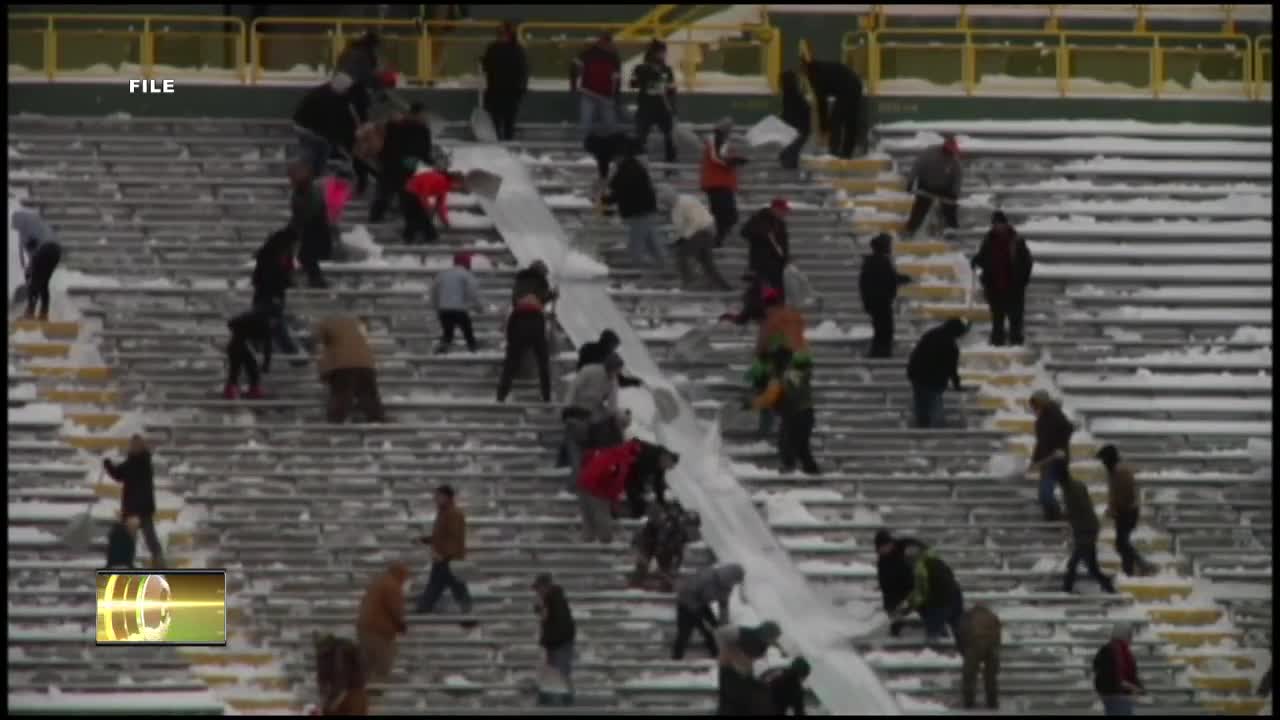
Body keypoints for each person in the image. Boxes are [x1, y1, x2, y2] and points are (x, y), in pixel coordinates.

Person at [563, 353, 628, 492]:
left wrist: (618, 418)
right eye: (615, 371)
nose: (616, 374)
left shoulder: (613, 380)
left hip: (593, 414)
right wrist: (567, 408)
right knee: (577, 458)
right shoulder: (590, 370)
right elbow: (573, 387)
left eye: (618, 371)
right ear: (608, 367)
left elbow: (612, 404)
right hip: (577, 409)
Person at [497, 260, 557, 403]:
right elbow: (540, 299)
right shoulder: (541, 282)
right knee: (543, 362)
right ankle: (546, 396)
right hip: (535, 322)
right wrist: (553, 295)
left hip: (517, 321)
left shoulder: (519, 282)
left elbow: (517, 301)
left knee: (510, 363)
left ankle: (501, 395)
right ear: (542, 273)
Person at [971, 211, 1034, 346]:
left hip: (1013, 286)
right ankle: (997, 342)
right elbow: (983, 256)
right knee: (997, 317)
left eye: (1000, 224)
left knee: (1015, 317)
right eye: (995, 224)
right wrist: (976, 260)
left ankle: (1016, 343)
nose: (998, 227)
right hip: (994, 285)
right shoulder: (989, 240)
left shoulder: (1016, 240)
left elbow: (1027, 261)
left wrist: (1022, 280)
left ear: (1005, 224)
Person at [753, 349, 819, 476]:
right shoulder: (789, 374)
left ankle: (793, 469)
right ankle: (808, 471)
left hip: (799, 413)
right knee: (799, 447)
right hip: (799, 413)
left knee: (791, 444)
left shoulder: (790, 375)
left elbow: (790, 393)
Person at [103, 435, 165, 568]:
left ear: (141, 447)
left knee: (150, 538)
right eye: (132, 445)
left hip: (142, 509)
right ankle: (128, 563)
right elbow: (119, 474)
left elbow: (124, 474)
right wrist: (108, 465)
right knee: (130, 540)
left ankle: (159, 563)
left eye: (136, 445)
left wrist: (110, 466)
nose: (133, 448)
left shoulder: (143, 462)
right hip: (131, 508)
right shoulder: (131, 462)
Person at [602, 138, 665, 269]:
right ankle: (663, 270)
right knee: (653, 245)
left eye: (614, 158)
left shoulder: (629, 169)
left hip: (640, 213)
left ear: (620, 156)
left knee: (635, 248)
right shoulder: (628, 167)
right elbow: (616, 187)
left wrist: (604, 200)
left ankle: (642, 273)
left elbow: (620, 191)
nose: (613, 161)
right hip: (645, 211)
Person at [413, 485, 474, 620]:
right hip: (442, 557)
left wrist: (445, 555)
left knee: (453, 585)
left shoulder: (454, 514)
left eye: (439, 496)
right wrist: (425, 540)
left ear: (447, 497)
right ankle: (424, 607)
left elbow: (454, 537)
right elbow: (440, 536)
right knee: (441, 584)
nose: (436, 499)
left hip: (450, 558)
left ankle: (424, 607)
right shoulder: (443, 513)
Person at [314, 314, 386, 423]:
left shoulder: (325, 324)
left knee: (341, 395)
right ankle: (377, 421)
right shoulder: (354, 325)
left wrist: (323, 374)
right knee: (369, 395)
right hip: (366, 363)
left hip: (343, 365)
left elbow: (320, 346)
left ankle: (334, 424)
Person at [1097, 445, 1155, 578]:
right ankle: (1129, 571)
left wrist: (1114, 507)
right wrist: (1112, 507)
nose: (1102, 463)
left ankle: (1143, 565)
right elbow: (1114, 493)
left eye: (1103, 460)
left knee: (1121, 543)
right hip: (1123, 511)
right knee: (1122, 543)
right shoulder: (1113, 471)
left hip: (1128, 511)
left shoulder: (1120, 472)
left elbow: (1126, 493)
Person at [371, 102, 433, 223]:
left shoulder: (423, 129)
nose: (426, 118)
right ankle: (376, 216)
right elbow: (389, 144)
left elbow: (425, 150)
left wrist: (427, 162)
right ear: (416, 114)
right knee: (385, 193)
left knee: (405, 194)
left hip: (408, 167)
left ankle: (405, 218)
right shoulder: (397, 125)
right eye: (424, 115)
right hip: (393, 165)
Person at [1061, 469, 1117, 594]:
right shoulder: (1074, 487)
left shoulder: (1073, 490)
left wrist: (1066, 515)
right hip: (1086, 530)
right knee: (1091, 567)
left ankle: (1066, 589)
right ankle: (1108, 586)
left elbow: (1078, 510)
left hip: (1086, 531)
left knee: (1073, 563)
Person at [673, 563, 745, 660]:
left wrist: (723, 624)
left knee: (714, 629)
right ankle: (676, 660)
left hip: (701, 604)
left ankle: (717, 656)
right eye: (735, 581)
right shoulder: (707, 578)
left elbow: (723, 605)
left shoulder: (727, 586)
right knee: (684, 633)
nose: (735, 584)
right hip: (685, 603)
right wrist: (697, 614)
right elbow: (687, 592)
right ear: (731, 576)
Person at [895, 544, 964, 647]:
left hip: (940, 601)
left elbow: (920, 594)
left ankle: (938, 653)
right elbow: (950, 576)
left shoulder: (920, 567)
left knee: (932, 637)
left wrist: (906, 609)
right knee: (959, 630)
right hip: (956, 596)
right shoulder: (936, 560)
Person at [905, 318, 968, 428]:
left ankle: (921, 428)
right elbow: (952, 368)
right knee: (934, 406)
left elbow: (916, 354)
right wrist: (957, 385)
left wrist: (910, 372)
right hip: (934, 380)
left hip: (918, 376)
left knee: (920, 404)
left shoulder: (930, 335)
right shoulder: (950, 346)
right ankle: (936, 432)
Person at [859, 233, 913, 358]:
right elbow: (890, 278)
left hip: (877, 301)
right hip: (880, 302)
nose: (891, 247)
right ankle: (880, 354)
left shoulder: (873, 261)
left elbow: (889, 278)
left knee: (882, 329)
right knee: (884, 330)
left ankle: (880, 353)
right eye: (889, 244)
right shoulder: (880, 261)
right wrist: (904, 279)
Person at [577, 439, 642, 543]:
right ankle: (605, 539)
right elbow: (614, 482)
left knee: (588, 514)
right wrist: (612, 499)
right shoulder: (621, 463)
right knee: (602, 514)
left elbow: (590, 457)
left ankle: (588, 537)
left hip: (584, 482)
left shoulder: (612, 452)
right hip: (597, 488)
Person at [356, 561, 409, 684]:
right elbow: (395, 609)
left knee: (367, 666)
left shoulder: (378, 583)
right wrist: (403, 626)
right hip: (379, 631)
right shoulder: (392, 586)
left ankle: (366, 693)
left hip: (365, 629)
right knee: (382, 666)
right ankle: (375, 696)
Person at [802, 55, 864, 159]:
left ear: (806, 68)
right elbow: (822, 101)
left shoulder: (815, 75)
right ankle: (846, 151)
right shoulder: (818, 68)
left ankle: (834, 151)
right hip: (854, 84)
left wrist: (824, 127)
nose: (802, 73)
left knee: (836, 120)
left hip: (847, 88)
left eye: (802, 70)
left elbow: (822, 102)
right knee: (849, 120)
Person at [630, 500, 700, 591]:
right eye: (692, 527)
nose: (693, 530)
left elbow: (678, 549)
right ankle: (635, 585)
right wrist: (655, 560)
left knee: (668, 567)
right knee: (644, 563)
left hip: (663, 547)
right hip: (647, 542)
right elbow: (660, 544)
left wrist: (676, 564)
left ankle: (665, 585)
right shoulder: (669, 526)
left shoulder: (682, 531)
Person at [291, 78, 355, 177]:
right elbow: (333, 120)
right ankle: (306, 175)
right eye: (346, 90)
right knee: (311, 150)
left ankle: (313, 174)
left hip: (308, 126)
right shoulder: (328, 97)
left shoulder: (328, 93)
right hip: (308, 127)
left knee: (321, 149)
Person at [250, 228, 299, 356]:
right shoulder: (274, 255)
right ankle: (293, 355)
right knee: (275, 324)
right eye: (294, 243)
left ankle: (259, 348)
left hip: (268, 295)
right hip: (270, 295)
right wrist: (282, 287)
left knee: (267, 323)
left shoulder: (278, 253)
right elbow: (271, 276)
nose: (296, 246)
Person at [670, 190, 731, 290]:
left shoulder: (686, 202)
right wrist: (677, 239)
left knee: (681, 255)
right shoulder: (675, 208)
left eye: (665, 202)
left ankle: (690, 281)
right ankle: (723, 286)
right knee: (706, 262)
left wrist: (683, 238)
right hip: (698, 232)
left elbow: (696, 222)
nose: (664, 206)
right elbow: (681, 227)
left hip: (703, 230)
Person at [904, 133, 963, 238]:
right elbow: (916, 167)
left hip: (944, 188)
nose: (951, 154)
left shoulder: (954, 160)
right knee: (920, 209)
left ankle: (953, 233)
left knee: (950, 210)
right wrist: (910, 181)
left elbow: (958, 178)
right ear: (944, 148)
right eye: (949, 151)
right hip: (926, 185)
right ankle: (910, 230)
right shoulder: (929, 153)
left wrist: (955, 193)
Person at [1028, 389, 1074, 521]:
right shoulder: (1040, 421)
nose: (1034, 410)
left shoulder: (1055, 415)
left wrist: (1060, 448)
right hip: (1046, 461)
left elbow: (1068, 428)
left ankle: (1058, 517)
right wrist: (1034, 460)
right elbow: (1041, 442)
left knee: (1045, 494)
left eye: (1035, 406)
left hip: (1056, 460)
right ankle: (1052, 518)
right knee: (1046, 493)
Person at [701, 117, 747, 246]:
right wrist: (733, 161)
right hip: (716, 184)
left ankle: (719, 238)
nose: (730, 131)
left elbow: (722, 157)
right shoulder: (715, 139)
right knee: (725, 214)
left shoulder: (723, 141)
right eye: (728, 128)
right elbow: (717, 158)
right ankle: (718, 238)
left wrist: (736, 159)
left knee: (726, 214)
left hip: (723, 184)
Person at [874, 530, 927, 637]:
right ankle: (897, 631)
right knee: (893, 608)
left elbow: (924, 551)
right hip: (899, 591)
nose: (882, 551)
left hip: (918, 586)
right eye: (880, 549)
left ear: (890, 544)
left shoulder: (905, 546)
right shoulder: (882, 562)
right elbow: (885, 585)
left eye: (884, 547)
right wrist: (891, 607)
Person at [480, 21, 528, 141]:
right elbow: (487, 66)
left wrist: (521, 88)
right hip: (498, 90)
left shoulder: (513, 50)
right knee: (497, 121)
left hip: (508, 91)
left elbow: (522, 71)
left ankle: (506, 144)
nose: (500, 36)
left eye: (502, 33)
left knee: (507, 122)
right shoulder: (512, 49)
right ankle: (500, 144)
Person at [631, 39, 677, 163]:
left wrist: (672, 106)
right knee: (640, 137)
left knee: (670, 137)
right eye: (661, 52)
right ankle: (637, 163)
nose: (663, 55)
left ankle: (670, 166)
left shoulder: (666, 69)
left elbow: (672, 90)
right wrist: (648, 78)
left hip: (663, 107)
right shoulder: (641, 68)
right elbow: (633, 83)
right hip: (646, 107)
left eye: (664, 52)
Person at [533, 573, 577, 706]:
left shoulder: (555, 599)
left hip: (559, 643)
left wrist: (550, 641)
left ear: (545, 587)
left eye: (539, 588)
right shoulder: (551, 599)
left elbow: (560, 624)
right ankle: (555, 700)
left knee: (560, 673)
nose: (537, 592)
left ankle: (565, 702)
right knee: (554, 674)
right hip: (555, 643)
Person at [288, 160, 333, 288]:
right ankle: (315, 280)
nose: (290, 182)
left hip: (315, 231)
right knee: (304, 256)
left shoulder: (312, 195)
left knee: (305, 256)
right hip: (309, 230)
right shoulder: (300, 193)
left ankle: (317, 281)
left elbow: (306, 215)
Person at [13, 208, 63, 321]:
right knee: (43, 283)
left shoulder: (26, 230)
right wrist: (29, 267)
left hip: (45, 250)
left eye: (16, 225)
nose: (16, 227)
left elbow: (31, 249)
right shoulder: (38, 222)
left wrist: (28, 269)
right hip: (56, 251)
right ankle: (43, 314)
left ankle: (30, 313)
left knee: (34, 282)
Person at [571, 34, 622, 138]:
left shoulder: (587, 54)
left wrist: (573, 87)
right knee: (609, 124)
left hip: (591, 92)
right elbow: (617, 78)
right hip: (602, 94)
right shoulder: (613, 57)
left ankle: (585, 144)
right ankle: (613, 144)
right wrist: (616, 94)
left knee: (587, 122)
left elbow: (574, 67)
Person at [431, 252, 482, 354]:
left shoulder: (443, 274)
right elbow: (472, 292)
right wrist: (478, 306)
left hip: (444, 309)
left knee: (448, 332)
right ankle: (473, 348)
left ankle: (442, 349)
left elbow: (434, 290)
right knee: (467, 330)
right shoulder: (466, 275)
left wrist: (436, 306)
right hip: (459, 309)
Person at [740, 198, 792, 298]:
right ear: (774, 209)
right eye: (783, 210)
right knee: (765, 289)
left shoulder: (780, 223)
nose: (784, 213)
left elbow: (783, 244)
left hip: (777, 263)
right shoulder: (759, 219)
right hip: (761, 262)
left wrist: (786, 258)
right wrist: (761, 233)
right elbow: (744, 232)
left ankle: (772, 307)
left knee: (777, 290)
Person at [404, 168, 467, 244]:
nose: (457, 189)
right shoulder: (439, 178)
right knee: (422, 217)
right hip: (409, 192)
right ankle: (413, 239)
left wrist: (445, 221)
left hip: (416, 196)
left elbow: (440, 205)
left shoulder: (445, 186)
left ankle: (419, 238)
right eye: (458, 186)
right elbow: (423, 192)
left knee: (426, 218)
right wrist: (427, 207)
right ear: (454, 181)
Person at [957, 604, 1002, 710]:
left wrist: (963, 650)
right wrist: (996, 647)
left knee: (969, 675)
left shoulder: (968, 616)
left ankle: (969, 701)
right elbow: (998, 632)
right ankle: (992, 701)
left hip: (974, 645)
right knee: (990, 676)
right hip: (991, 646)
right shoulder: (992, 615)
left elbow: (961, 632)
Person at [1093, 623, 1144, 715]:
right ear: (1125, 635)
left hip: (1117, 695)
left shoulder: (1118, 650)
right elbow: (1113, 677)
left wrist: (1137, 688)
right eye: (1130, 635)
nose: (1131, 639)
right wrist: (1133, 687)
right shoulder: (1114, 651)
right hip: (1116, 696)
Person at [223, 308, 273, 400]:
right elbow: (268, 346)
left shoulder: (252, 318)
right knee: (241, 368)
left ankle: (234, 390)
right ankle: (235, 391)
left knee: (243, 368)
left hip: (238, 344)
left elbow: (231, 323)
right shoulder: (265, 324)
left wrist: (241, 333)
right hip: (238, 345)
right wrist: (266, 363)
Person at [315, 633, 369, 715]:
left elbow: (340, 680)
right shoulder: (338, 650)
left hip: (349, 694)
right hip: (355, 693)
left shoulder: (338, 653)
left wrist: (330, 702)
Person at [623, 441, 678, 519]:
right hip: (627, 461)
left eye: (668, 467)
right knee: (634, 489)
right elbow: (637, 470)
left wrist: (661, 502)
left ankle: (634, 510)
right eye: (668, 465)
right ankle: (632, 509)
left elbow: (658, 483)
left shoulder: (660, 465)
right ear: (666, 457)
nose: (666, 468)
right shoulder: (652, 453)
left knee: (639, 491)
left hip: (633, 470)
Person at [575, 329, 643, 387]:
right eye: (613, 347)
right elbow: (619, 381)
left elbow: (619, 380)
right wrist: (634, 382)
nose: (613, 350)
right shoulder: (604, 357)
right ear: (608, 344)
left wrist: (633, 381)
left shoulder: (589, 348)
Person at [755, 288, 808, 360]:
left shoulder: (771, 318)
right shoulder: (794, 314)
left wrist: (759, 352)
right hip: (800, 352)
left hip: (781, 353)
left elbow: (764, 338)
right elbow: (801, 328)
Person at [778, 69, 811, 170]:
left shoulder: (790, 94)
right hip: (800, 129)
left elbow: (790, 113)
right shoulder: (793, 93)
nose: (778, 83)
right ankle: (791, 171)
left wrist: (783, 118)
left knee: (789, 154)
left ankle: (791, 173)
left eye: (780, 80)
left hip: (798, 129)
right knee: (790, 153)